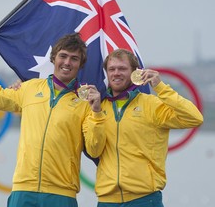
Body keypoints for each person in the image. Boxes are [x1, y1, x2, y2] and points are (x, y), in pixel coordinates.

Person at [0, 32, 106, 207]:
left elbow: (95, 149)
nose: (67, 62)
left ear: (80, 64)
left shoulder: (86, 101)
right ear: (53, 58)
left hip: (61, 193)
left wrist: (96, 111)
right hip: (23, 189)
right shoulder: (30, 88)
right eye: (63, 56)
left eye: (74, 58)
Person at [84, 48, 204, 207]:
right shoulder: (96, 108)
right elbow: (94, 150)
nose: (116, 73)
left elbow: (194, 118)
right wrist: (97, 113)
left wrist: (160, 87)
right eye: (112, 69)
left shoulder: (151, 105)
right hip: (107, 200)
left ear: (135, 72)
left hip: (144, 199)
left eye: (122, 68)